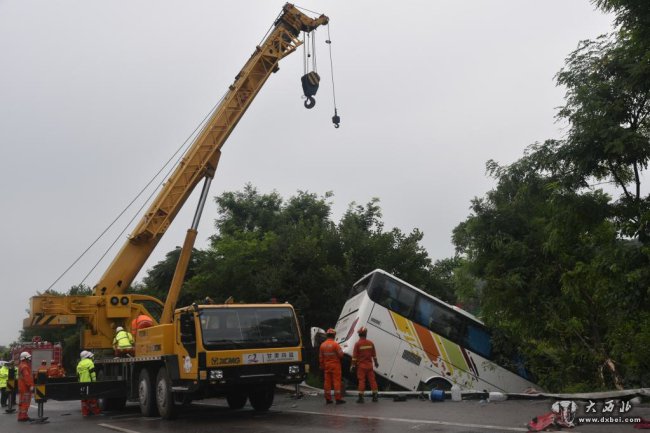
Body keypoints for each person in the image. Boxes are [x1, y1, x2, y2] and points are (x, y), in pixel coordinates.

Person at [351, 326, 379, 403]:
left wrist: (353, 366)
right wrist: (376, 363)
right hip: (369, 366)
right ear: (366, 334)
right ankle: (375, 396)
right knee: (372, 381)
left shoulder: (357, 344)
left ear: (359, 335)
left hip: (361, 367)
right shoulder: (371, 343)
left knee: (361, 381)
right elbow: (374, 355)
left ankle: (361, 398)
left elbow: (354, 357)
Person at [319, 328, 345, 405]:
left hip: (327, 366)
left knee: (327, 382)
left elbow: (320, 357)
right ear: (334, 335)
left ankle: (328, 399)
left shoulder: (322, 345)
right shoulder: (335, 345)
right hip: (335, 366)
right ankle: (338, 399)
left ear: (327, 335)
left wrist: (322, 366)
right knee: (336, 382)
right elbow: (341, 355)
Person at [77, 351, 100, 417]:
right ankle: (95, 412)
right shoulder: (90, 363)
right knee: (92, 398)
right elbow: (92, 373)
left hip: (82, 384)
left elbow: (78, 375)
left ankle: (85, 413)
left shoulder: (79, 364)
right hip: (89, 383)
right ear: (87, 356)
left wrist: (79, 383)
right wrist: (94, 382)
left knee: (84, 399)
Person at [17, 351, 34, 422]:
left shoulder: (21, 365)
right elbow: (27, 377)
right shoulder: (25, 366)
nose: (29, 359)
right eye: (28, 358)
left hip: (22, 386)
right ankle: (23, 416)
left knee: (22, 401)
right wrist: (30, 385)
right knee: (25, 402)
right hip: (25, 387)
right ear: (25, 358)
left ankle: (21, 416)